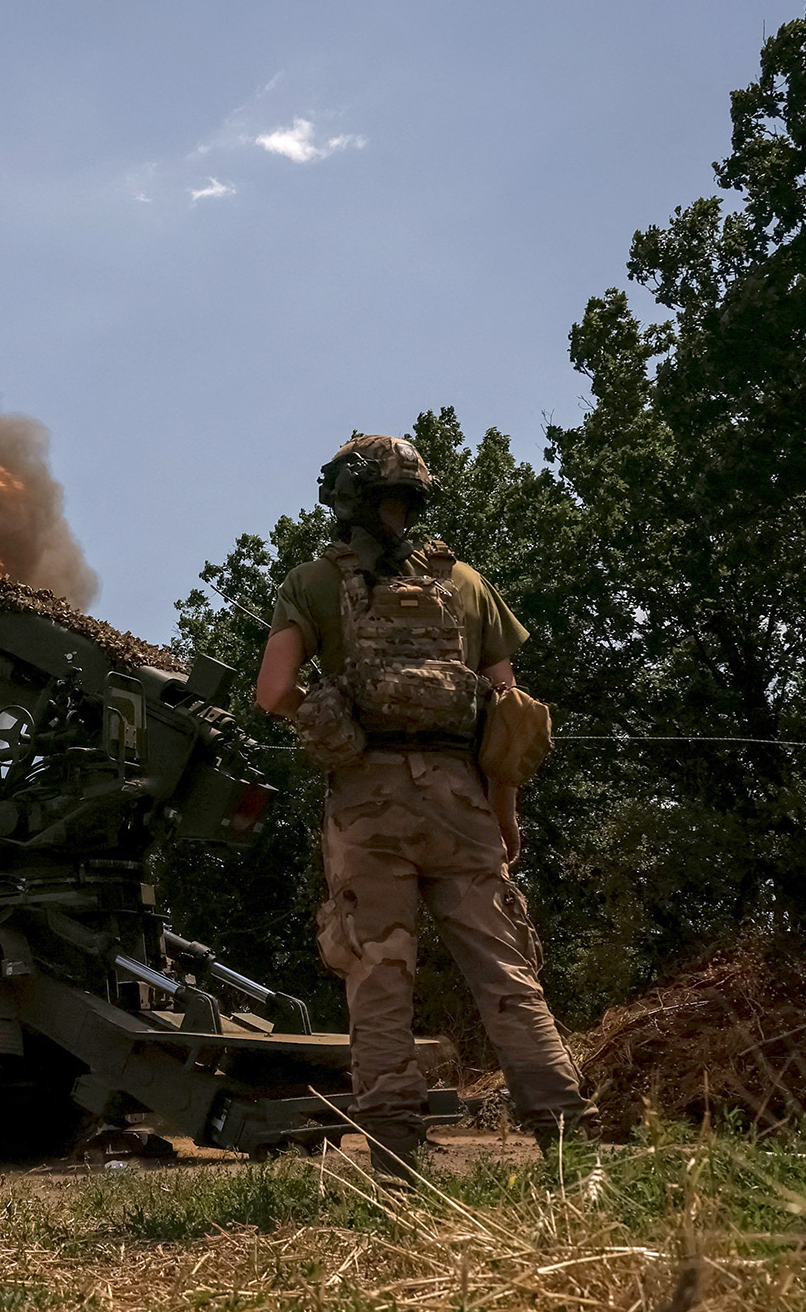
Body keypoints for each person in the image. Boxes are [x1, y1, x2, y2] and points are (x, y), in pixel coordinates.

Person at [254, 434, 594, 1180]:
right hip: (460, 800)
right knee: (506, 974)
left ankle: (396, 1166)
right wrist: (504, 815)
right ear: (414, 499)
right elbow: (508, 714)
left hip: (366, 804)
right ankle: (572, 1153)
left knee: (379, 980)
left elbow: (273, 691)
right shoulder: (465, 581)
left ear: (342, 498)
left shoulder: (312, 582)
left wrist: (328, 718)